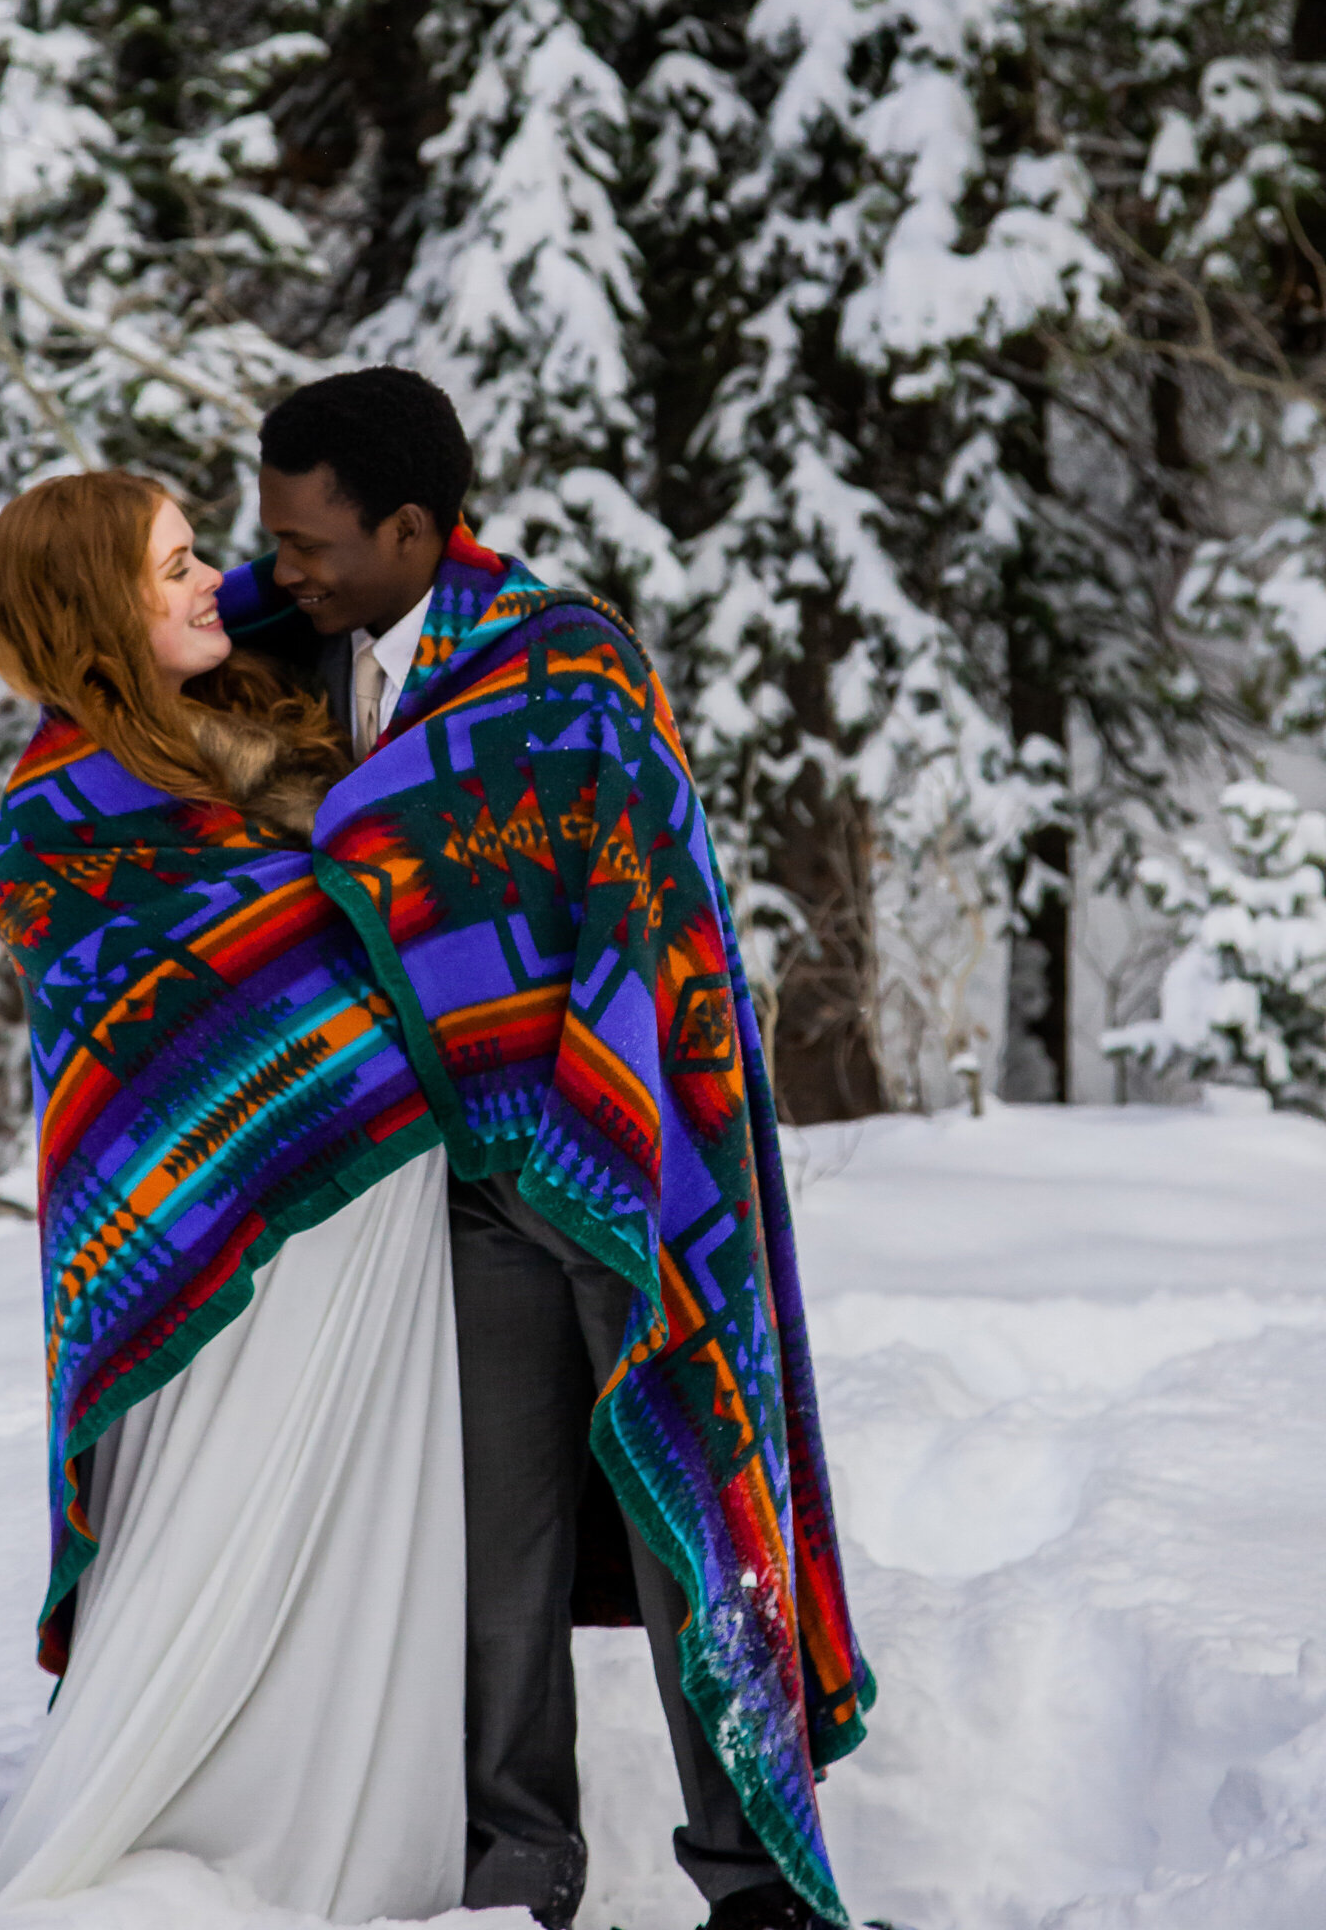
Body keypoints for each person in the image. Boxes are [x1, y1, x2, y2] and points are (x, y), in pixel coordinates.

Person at [228, 368, 873, 1930]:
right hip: (449, 1189)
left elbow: (653, 916)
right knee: (488, 1547)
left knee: (683, 1511)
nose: (285, 565)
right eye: (272, 536)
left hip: (615, 1161)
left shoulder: (566, 671)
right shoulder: (279, 665)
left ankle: (752, 1880)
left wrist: (601, 1120)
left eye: (311, 540)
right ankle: (516, 1873)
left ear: (412, 528)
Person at [0, 470, 466, 1921]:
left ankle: (370, 1825)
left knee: (369, 1519)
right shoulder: (63, 816)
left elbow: (355, 905)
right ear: (98, 605)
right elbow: (224, 1001)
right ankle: (196, 1823)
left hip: (363, 1213)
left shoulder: (230, 730)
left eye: (196, 558)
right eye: (170, 567)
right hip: (225, 1242)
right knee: (225, 1521)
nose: (207, 583)